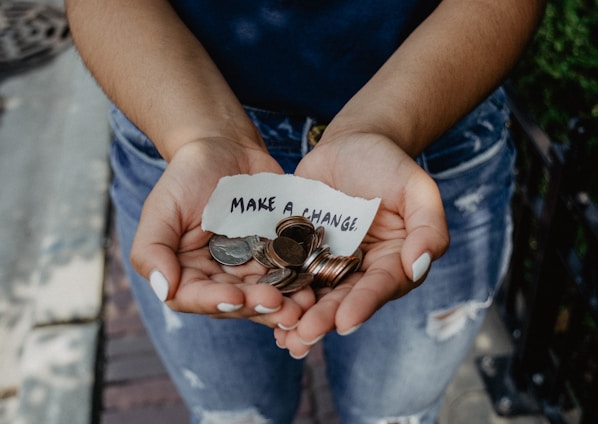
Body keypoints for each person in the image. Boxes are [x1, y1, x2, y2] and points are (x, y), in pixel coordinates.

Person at [66, 1, 545, 422]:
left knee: (395, 419)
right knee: (233, 418)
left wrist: (381, 127)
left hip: (431, 129)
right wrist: (199, 138)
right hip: (178, 136)